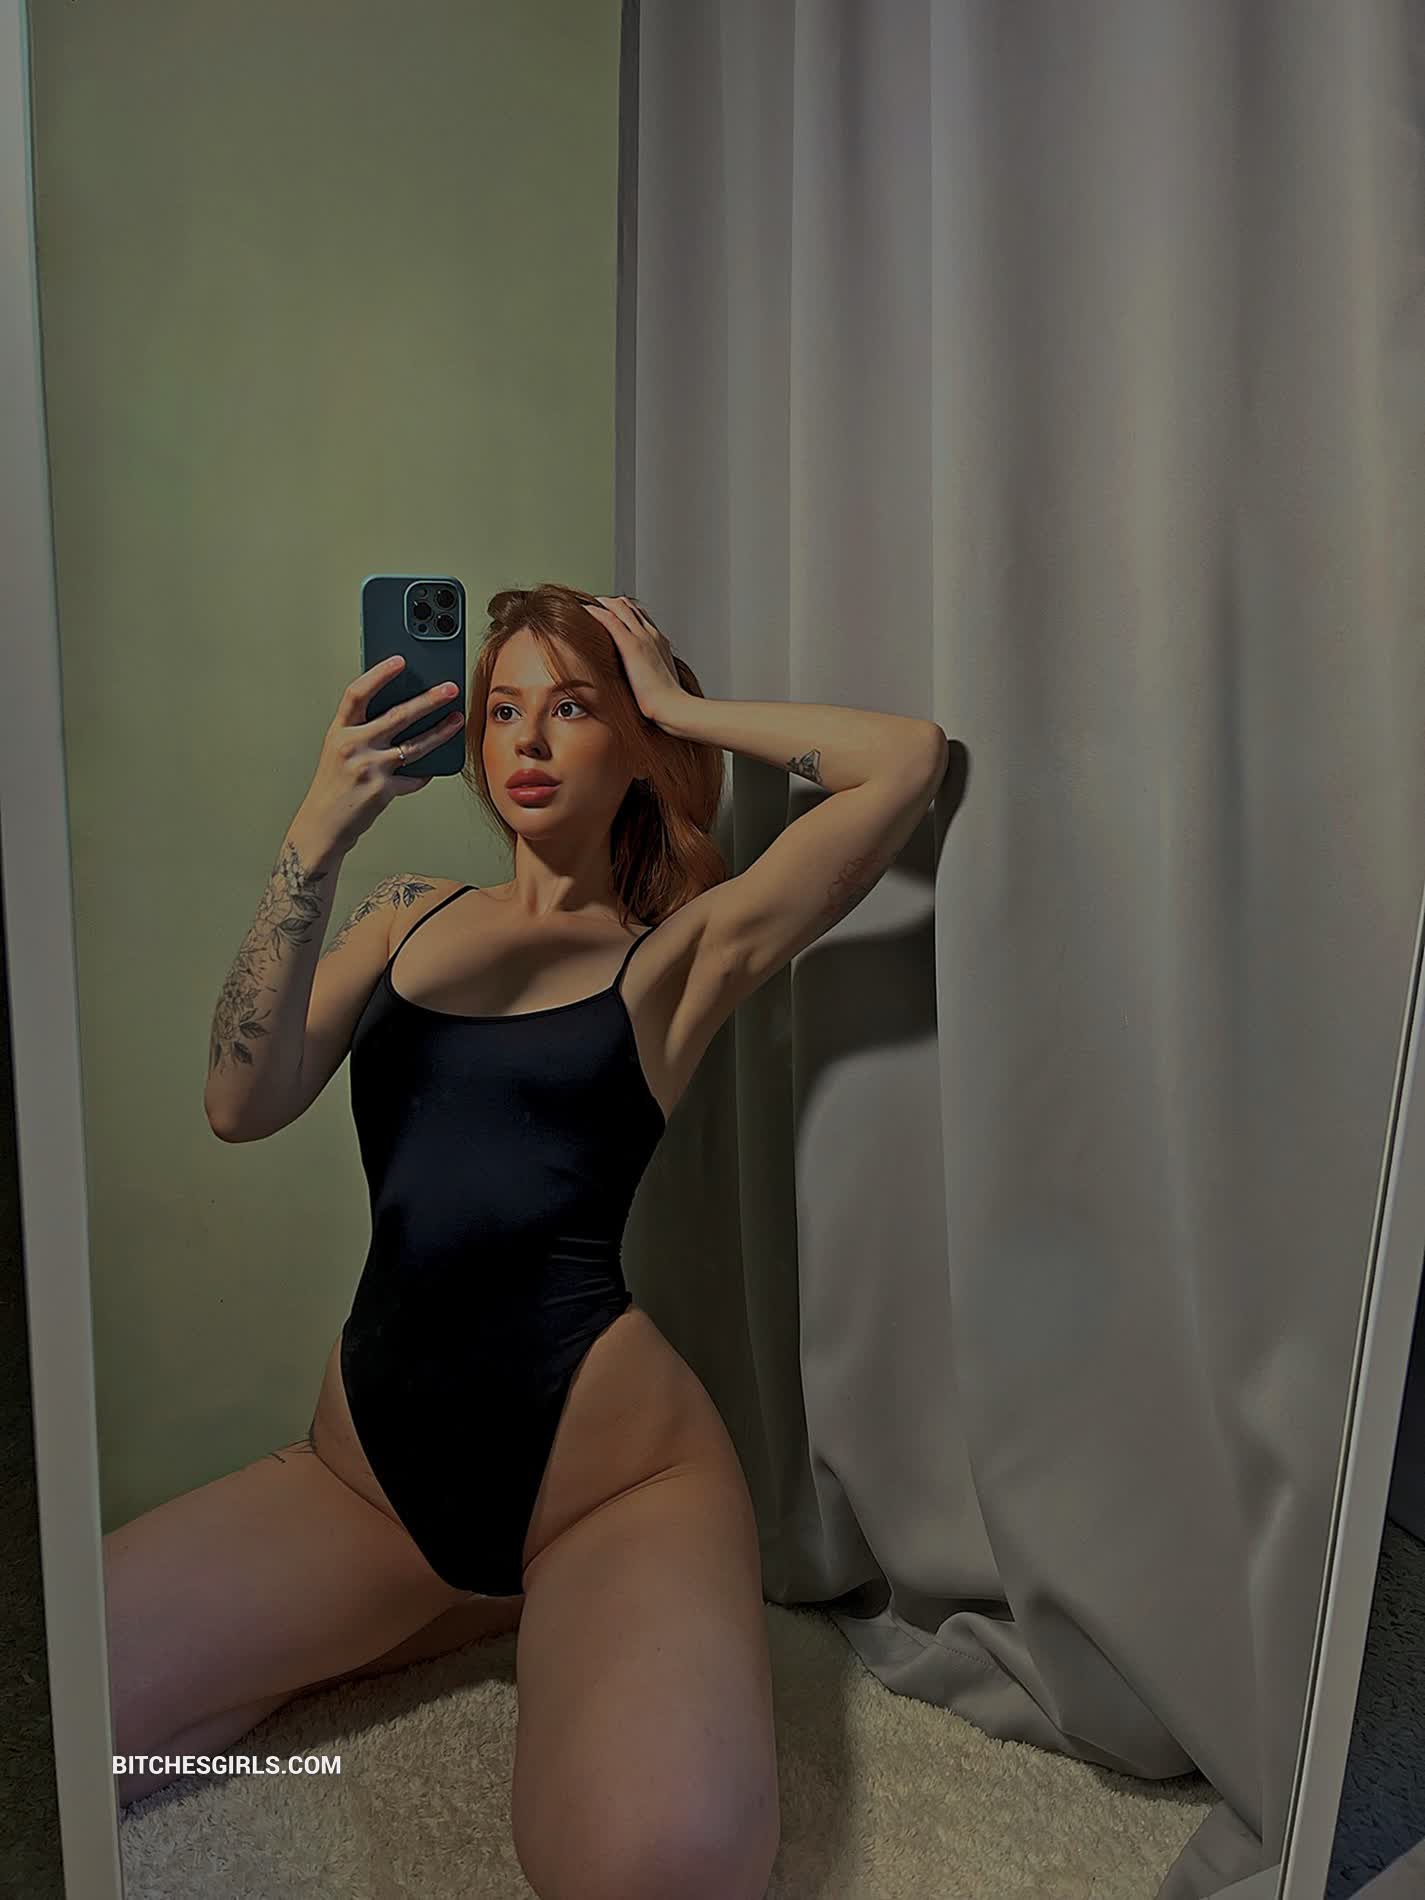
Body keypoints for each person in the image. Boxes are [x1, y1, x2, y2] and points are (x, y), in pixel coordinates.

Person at [104, 584, 947, 1900]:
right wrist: (316, 835)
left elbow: (901, 761)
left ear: (633, 749)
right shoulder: (402, 910)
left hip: (610, 1489)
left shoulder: (678, 954)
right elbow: (238, 1103)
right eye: (503, 711)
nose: (529, 741)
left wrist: (676, 707)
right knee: (66, 1702)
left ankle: (531, 1598)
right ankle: (450, 1606)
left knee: (656, 1867)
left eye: (573, 709)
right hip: (367, 1480)